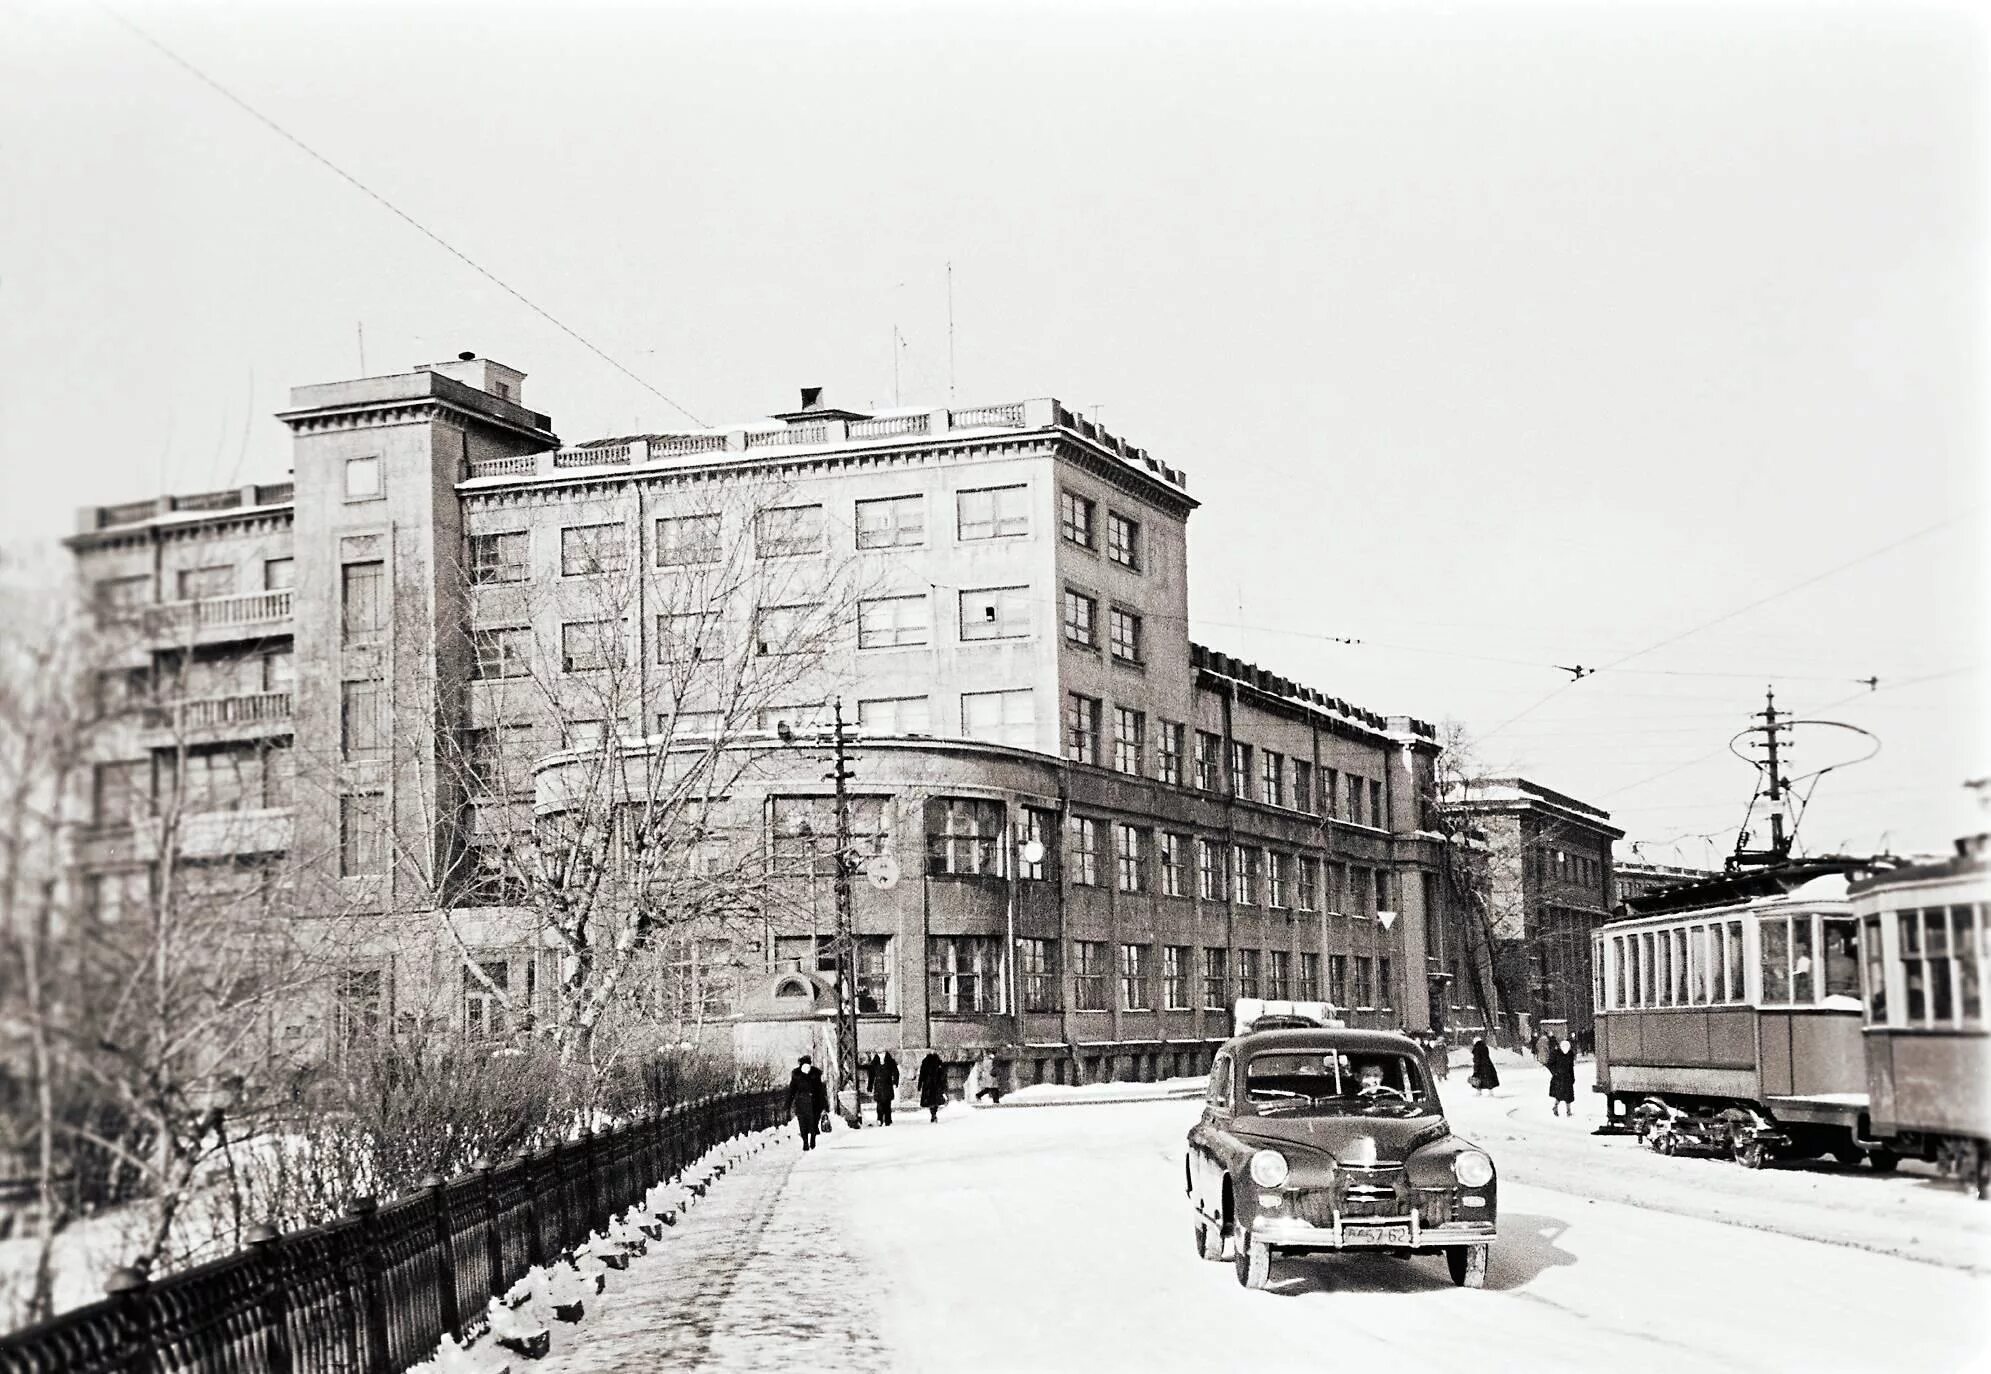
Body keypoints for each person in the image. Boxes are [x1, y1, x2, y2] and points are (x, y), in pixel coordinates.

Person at [786, 1054, 829, 1151]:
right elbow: (821, 1091)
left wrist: (787, 1104)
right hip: (814, 1102)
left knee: (803, 1124)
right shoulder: (816, 1074)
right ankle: (812, 1139)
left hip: (801, 1103)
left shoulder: (796, 1075)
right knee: (813, 1123)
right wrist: (825, 1105)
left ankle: (806, 1142)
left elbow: (792, 1090)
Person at [1547, 1037, 1577, 1117]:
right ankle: (1555, 1107)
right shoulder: (1556, 1053)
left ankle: (1568, 1111)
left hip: (1567, 1077)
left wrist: (1572, 1077)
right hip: (1558, 1078)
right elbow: (1549, 1064)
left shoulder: (1570, 1054)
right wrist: (1555, 1072)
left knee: (1569, 1096)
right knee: (1559, 1095)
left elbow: (1571, 1067)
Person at [918, 1050, 947, 1122]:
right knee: (935, 1100)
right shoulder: (939, 1062)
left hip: (928, 1084)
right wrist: (943, 1085)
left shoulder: (925, 1062)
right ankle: (934, 1114)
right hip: (936, 1084)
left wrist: (919, 1085)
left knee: (930, 1100)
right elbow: (943, 1075)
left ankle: (932, 1114)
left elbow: (922, 1074)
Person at [872, 1052, 900, 1125]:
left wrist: (895, 1081)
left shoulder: (889, 1061)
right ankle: (881, 1119)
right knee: (880, 1104)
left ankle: (886, 1119)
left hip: (886, 1085)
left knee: (886, 1104)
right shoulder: (875, 1062)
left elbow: (896, 1072)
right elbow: (871, 1074)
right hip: (881, 1085)